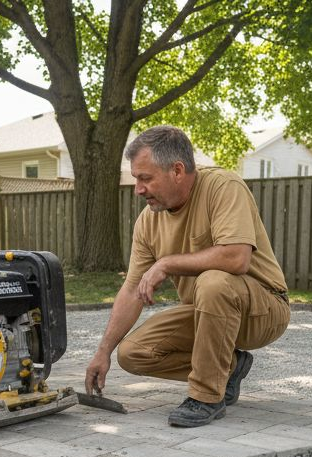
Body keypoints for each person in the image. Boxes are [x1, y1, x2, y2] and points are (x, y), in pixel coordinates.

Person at [84, 125, 290, 428]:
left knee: (214, 281)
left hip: (263, 311)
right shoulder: (148, 222)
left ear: (177, 170)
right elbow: (131, 290)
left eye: (145, 178)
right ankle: (230, 368)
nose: (138, 189)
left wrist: (166, 263)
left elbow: (236, 257)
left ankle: (206, 397)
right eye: (136, 179)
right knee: (133, 353)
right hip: (206, 311)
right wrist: (103, 352)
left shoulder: (223, 186)